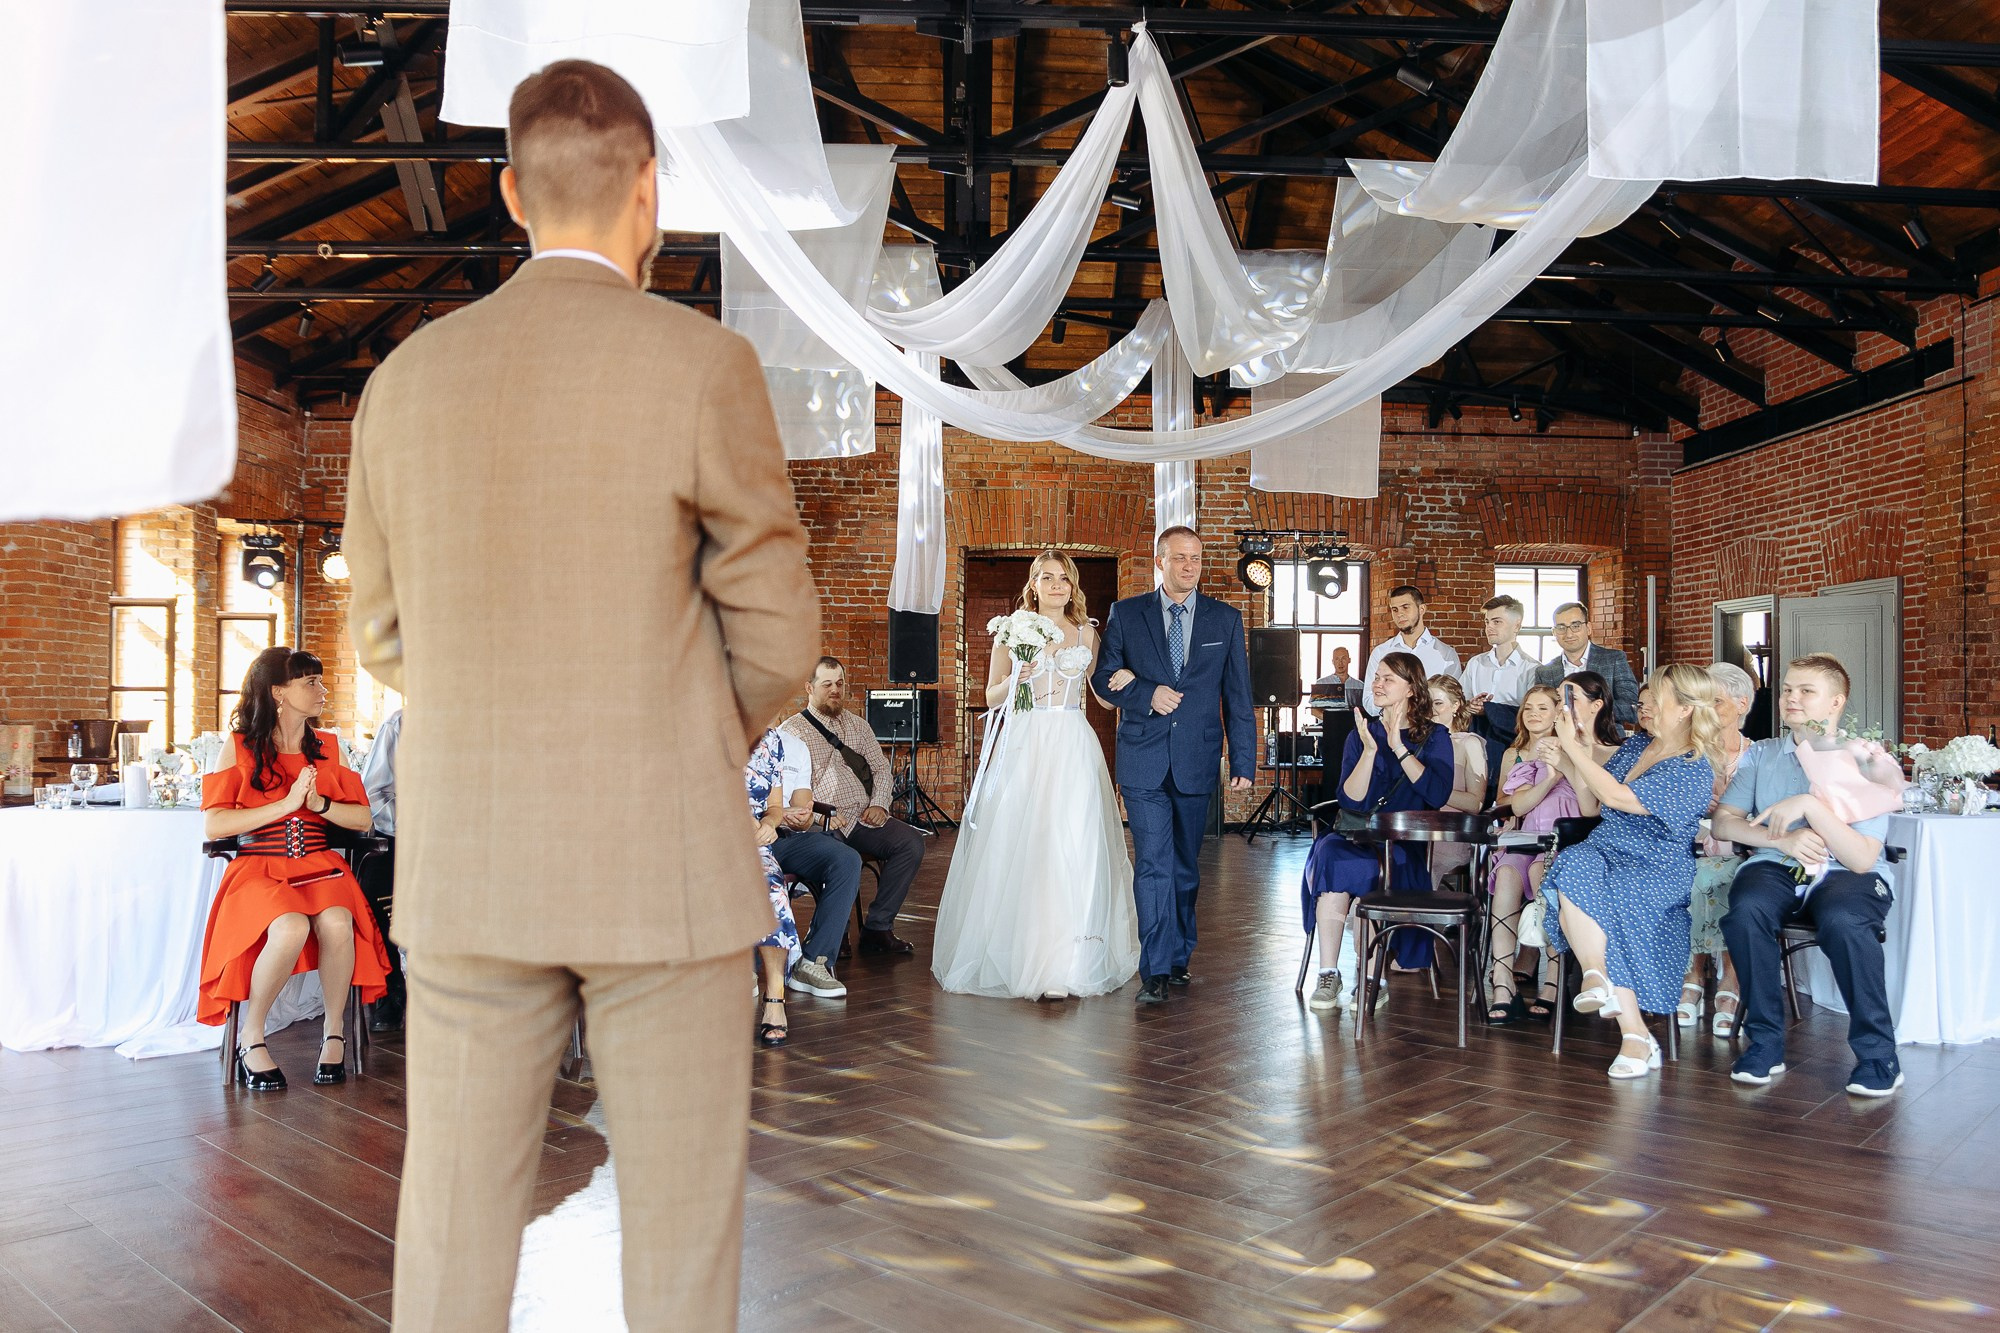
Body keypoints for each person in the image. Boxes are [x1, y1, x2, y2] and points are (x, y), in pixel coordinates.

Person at [341, 60, 820, 1332]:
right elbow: (778, 632)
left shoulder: (404, 383)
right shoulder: (703, 364)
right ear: (651, 191)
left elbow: (381, 630)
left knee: (448, 1218)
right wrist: (672, 737)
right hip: (660, 865)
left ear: (509, 192)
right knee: (676, 1236)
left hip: (470, 860)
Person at [933, 550, 1140, 1000]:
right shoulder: (1012, 630)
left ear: (1073, 586)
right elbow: (991, 697)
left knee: (1072, 844)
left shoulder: (1086, 633)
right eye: (1047, 577)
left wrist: (1122, 681)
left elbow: (1101, 699)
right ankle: (1020, 954)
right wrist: (1018, 678)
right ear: (1034, 583)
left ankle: (1067, 961)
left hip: (1070, 742)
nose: (1056, 585)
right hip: (1025, 743)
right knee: (1022, 842)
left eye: (1064, 579)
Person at [198, 648, 393, 1089]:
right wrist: (284, 806)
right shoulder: (241, 745)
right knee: (289, 928)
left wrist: (319, 804)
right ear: (278, 692)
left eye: (320, 682)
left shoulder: (327, 746)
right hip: (258, 867)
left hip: (320, 865)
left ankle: (334, 1035)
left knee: (339, 923)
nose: (322, 691)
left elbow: (362, 819)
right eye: (311, 683)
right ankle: (253, 1035)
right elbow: (214, 823)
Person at [1715, 654, 1906, 1097]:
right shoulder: (1763, 754)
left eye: (1806, 691)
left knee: (1844, 921)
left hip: (1846, 872)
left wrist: (1810, 808)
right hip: (1776, 865)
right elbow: (1725, 823)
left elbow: (1861, 859)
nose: (1791, 698)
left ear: (1836, 702)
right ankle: (1765, 1042)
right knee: (1745, 911)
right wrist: (1780, 841)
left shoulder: (1868, 761)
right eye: (1786, 689)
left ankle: (1879, 1055)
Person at [1092, 526, 1256, 1005]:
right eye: (1180, 558)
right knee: (1153, 864)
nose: (1190, 566)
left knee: (1185, 867)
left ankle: (1180, 951)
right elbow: (1104, 678)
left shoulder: (1224, 620)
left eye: (1197, 558)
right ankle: (1156, 968)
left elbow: (1238, 696)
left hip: (1197, 759)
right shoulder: (1126, 613)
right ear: (1159, 561)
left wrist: (1244, 758)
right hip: (1142, 758)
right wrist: (1147, 694)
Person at [1542, 665, 1722, 1080]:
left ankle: (1636, 1035)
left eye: (1656, 698)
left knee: (1618, 895)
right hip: (1608, 848)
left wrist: (1572, 746)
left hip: (1655, 865)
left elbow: (1616, 796)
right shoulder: (1637, 745)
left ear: (1683, 710)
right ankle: (1594, 976)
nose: (1646, 706)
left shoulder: (1693, 767)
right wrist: (1579, 755)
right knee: (1572, 861)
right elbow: (1592, 806)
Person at [1297, 652, 1455, 1012]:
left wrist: (1398, 747)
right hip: (1358, 834)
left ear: (1411, 689)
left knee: (1372, 871)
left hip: (1403, 843)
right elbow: (1350, 801)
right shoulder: (1361, 733)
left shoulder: (1434, 736)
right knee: (1332, 854)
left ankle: (1372, 978)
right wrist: (1370, 751)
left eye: (1388, 679)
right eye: (1377, 677)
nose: (1377, 684)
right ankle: (1328, 972)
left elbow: (1436, 793)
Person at [781, 657, 925, 956]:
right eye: (827, 685)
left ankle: (878, 928)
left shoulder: (858, 725)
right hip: (821, 821)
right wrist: (820, 820)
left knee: (910, 842)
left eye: (840, 684)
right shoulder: (792, 732)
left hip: (862, 816)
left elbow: (881, 769)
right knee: (837, 853)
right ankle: (837, 931)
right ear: (809, 687)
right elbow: (787, 791)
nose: (835, 690)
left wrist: (880, 805)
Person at [1482, 684, 1581, 1024]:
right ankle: (1502, 980)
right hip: (1524, 835)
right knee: (1508, 875)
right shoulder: (1517, 754)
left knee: (1544, 874)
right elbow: (1511, 804)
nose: (1534, 714)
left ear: (1558, 713)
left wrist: (1562, 765)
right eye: (1528, 709)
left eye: (1542, 708)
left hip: (1560, 841)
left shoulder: (1576, 749)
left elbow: (1587, 802)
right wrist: (1547, 779)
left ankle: (1553, 979)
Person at [1678, 662, 1756, 1037]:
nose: (1707, 709)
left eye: (1717, 701)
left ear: (1742, 704)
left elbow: (1768, 810)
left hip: (1743, 845)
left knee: (1731, 875)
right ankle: (1693, 970)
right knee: (1692, 872)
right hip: (1693, 841)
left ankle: (1730, 979)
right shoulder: (1688, 752)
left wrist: (1734, 809)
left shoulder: (1758, 755)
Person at [765, 725, 859, 999]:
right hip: (742, 836)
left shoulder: (795, 747)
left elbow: (804, 811)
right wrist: (776, 816)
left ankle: (813, 961)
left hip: (786, 838)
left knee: (846, 859)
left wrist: (803, 817)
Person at [746, 727, 805, 1047]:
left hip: (753, 847)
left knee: (773, 893)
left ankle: (775, 1000)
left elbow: (775, 806)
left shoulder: (770, 740)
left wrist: (769, 825)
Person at [357, 706, 404, 1032]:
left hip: (477, 845)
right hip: (406, 837)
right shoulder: (400, 724)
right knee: (370, 886)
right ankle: (391, 987)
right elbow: (373, 795)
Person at [1461, 594, 1535, 798]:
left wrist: (1491, 710)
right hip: (1476, 744)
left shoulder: (1532, 669)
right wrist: (1470, 706)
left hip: (1512, 746)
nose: (1489, 627)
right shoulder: (1476, 664)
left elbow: (1531, 715)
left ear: (1516, 625)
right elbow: (1459, 703)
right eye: (1487, 622)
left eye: (1497, 621)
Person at [1531, 602, 1640, 727]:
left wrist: (1590, 709)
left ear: (1588, 628)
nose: (1569, 634)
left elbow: (1632, 708)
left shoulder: (1613, 660)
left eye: (1575, 626)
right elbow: (1541, 712)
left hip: (1607, 741)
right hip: (1561, 741)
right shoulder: (1544, 672)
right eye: (1561, 628)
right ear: (1554, 632)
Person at [1360, 585, 1460, 716]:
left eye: (1405, 607)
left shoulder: (1446, 655)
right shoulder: (1381, 652)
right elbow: (1368, 701)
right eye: (1394, 610)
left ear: (1422, 609)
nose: (1399, 614)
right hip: (1389, 730)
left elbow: (1453, 700)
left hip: (1430, 729)